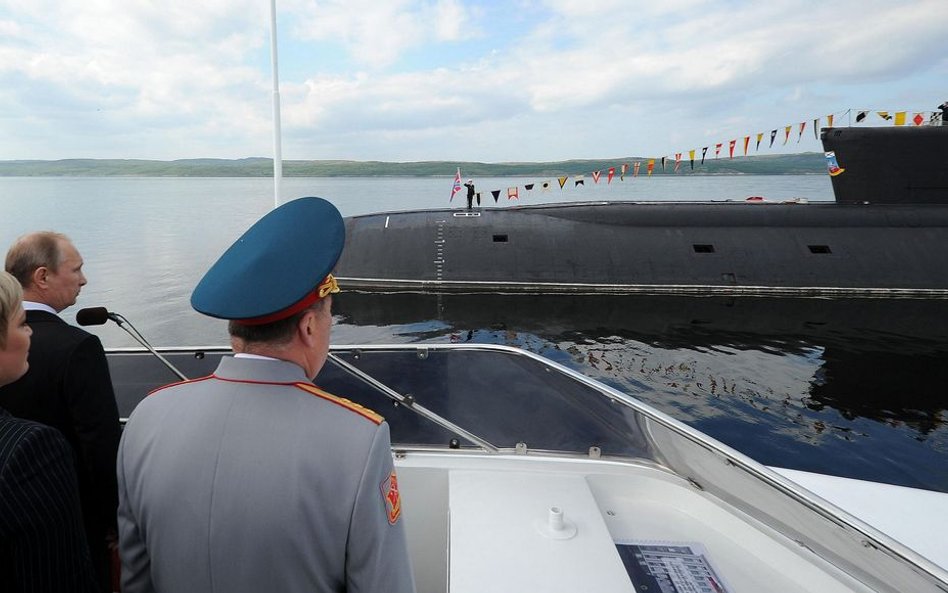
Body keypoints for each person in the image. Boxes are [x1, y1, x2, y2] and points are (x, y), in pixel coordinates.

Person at [117, 197, 416, 593]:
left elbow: (136, 578)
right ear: (309, 327)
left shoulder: (148, 416)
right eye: (329, 316)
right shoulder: (359, 440)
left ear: (235, 329)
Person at [0, 231, 121, 592]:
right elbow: (100, 445)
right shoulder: (78, 347)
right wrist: (117, 523)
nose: (83, 279)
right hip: (72, 527)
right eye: (77, 269)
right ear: (42, 276)